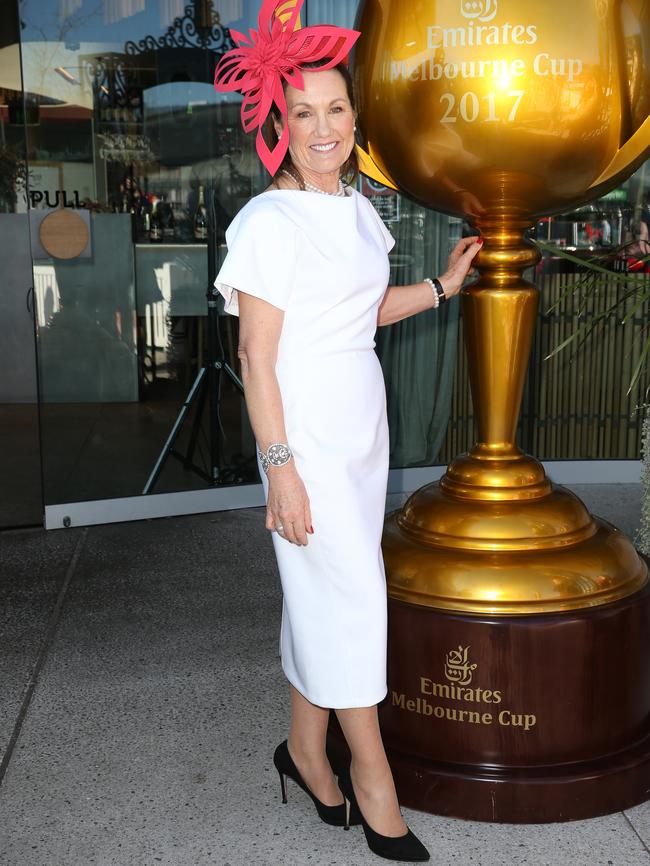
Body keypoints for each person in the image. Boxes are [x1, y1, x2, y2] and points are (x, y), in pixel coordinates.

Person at [213, 2, 482, 861]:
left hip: (362, 434)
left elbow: (361, 313)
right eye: (302, 112)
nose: (322, 127)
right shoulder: (268, 223)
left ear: (354, 118)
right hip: (304, 441)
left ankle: (302, 752)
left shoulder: (357, 206)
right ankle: (373, 780)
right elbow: (258, 357)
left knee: (321, 602)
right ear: (275, 124)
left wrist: (439, 288)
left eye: (335, 109)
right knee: (356, 604)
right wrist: (280, 467)